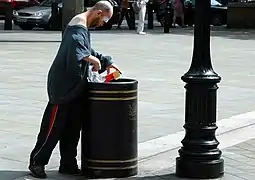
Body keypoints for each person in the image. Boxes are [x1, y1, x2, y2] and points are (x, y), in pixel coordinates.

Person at [28, 1, 120, 178]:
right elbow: (77, 48)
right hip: (63, 86)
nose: (102, 25)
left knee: (72, 127)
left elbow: (86, 49)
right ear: (99, 13)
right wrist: (92, 59)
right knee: (52, 127)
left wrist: (106, 61)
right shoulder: (77, 25)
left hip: (77, 86)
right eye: (103, 21)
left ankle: (68, 163)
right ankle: (37, 162)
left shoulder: (83, 26)